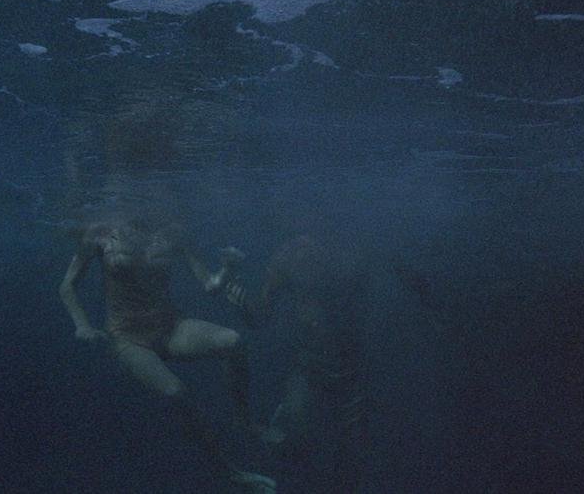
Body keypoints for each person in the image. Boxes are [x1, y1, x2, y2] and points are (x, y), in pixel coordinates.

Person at [58, 209, 275, 493]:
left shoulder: (174, 232)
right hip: (127, 337)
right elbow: (67, 286)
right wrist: (82, 325)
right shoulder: (99, 231)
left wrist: (226, 269)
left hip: (171, 326)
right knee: (175, 392)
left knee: (233, 342)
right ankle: (230, 473)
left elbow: (209, 285)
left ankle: (244, 422)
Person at [230, 235, 369, 493]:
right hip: (308, 362)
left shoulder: (349, 251)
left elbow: (362, 306)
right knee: (294, 431)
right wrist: (241, 301)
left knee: (351, 442)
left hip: (350, 364)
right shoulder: (287, 256)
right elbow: (260, 316)